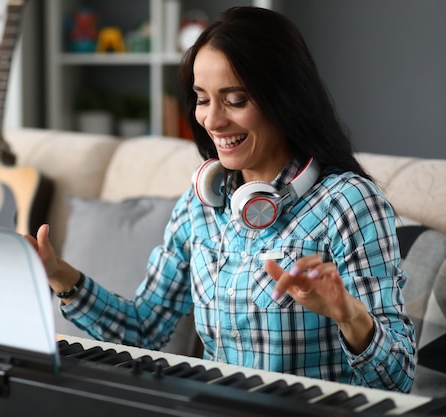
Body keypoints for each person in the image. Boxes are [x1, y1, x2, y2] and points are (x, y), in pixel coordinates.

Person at [26, 6, 415, 393]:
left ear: (284, 98)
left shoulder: (348, 202)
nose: (212, 120)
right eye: (202, 99)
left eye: (235, 100)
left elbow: (398, 378)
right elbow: (142, 329)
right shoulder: (200, 206)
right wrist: (59, 273)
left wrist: (348, 316)